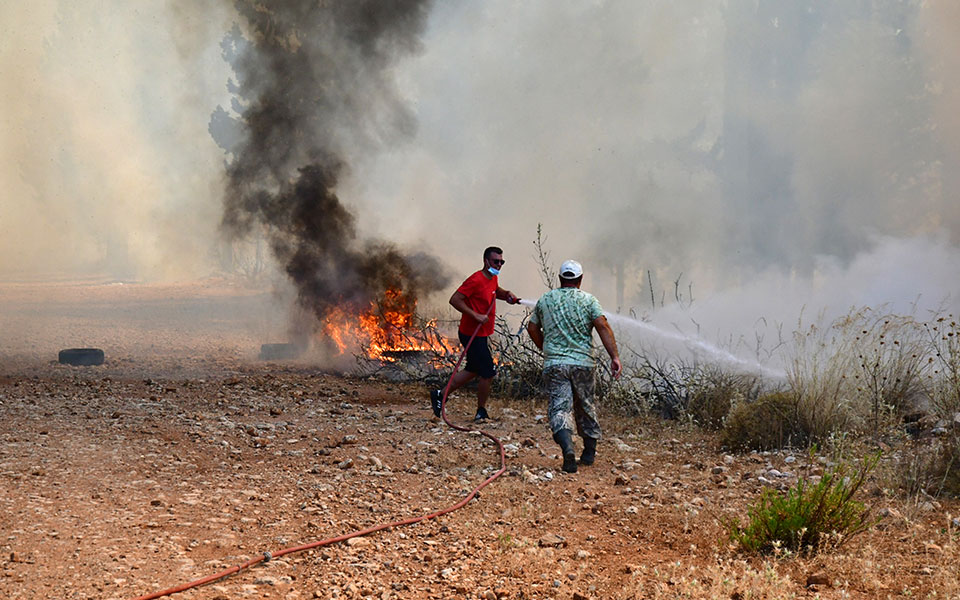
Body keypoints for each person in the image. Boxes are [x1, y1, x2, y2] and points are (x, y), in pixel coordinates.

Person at [526, 259, 621, 473]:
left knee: (560, 408)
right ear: (580, 280)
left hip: (556, 365)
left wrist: (547, 349)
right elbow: (602, 326)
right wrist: (614, 356)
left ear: (560, 279)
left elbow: (532, 328)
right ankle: (588, 452)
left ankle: (567, 448)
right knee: (585, 405)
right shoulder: (589, 300)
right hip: (583, 364)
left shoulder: (546, 300)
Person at [431, 246, 520, 421]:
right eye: (496, 261)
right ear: (486, 261)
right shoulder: (476, 279)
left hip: (481, 334)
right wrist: (475, 315)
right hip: (472, 334)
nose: (499, 264)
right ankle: (481, 411)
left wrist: (507, 295)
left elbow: (495, 291)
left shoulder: (492, 278)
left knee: (472, 369)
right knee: (488, 373)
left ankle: (440, 394)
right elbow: (455, 299)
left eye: (502, 261)